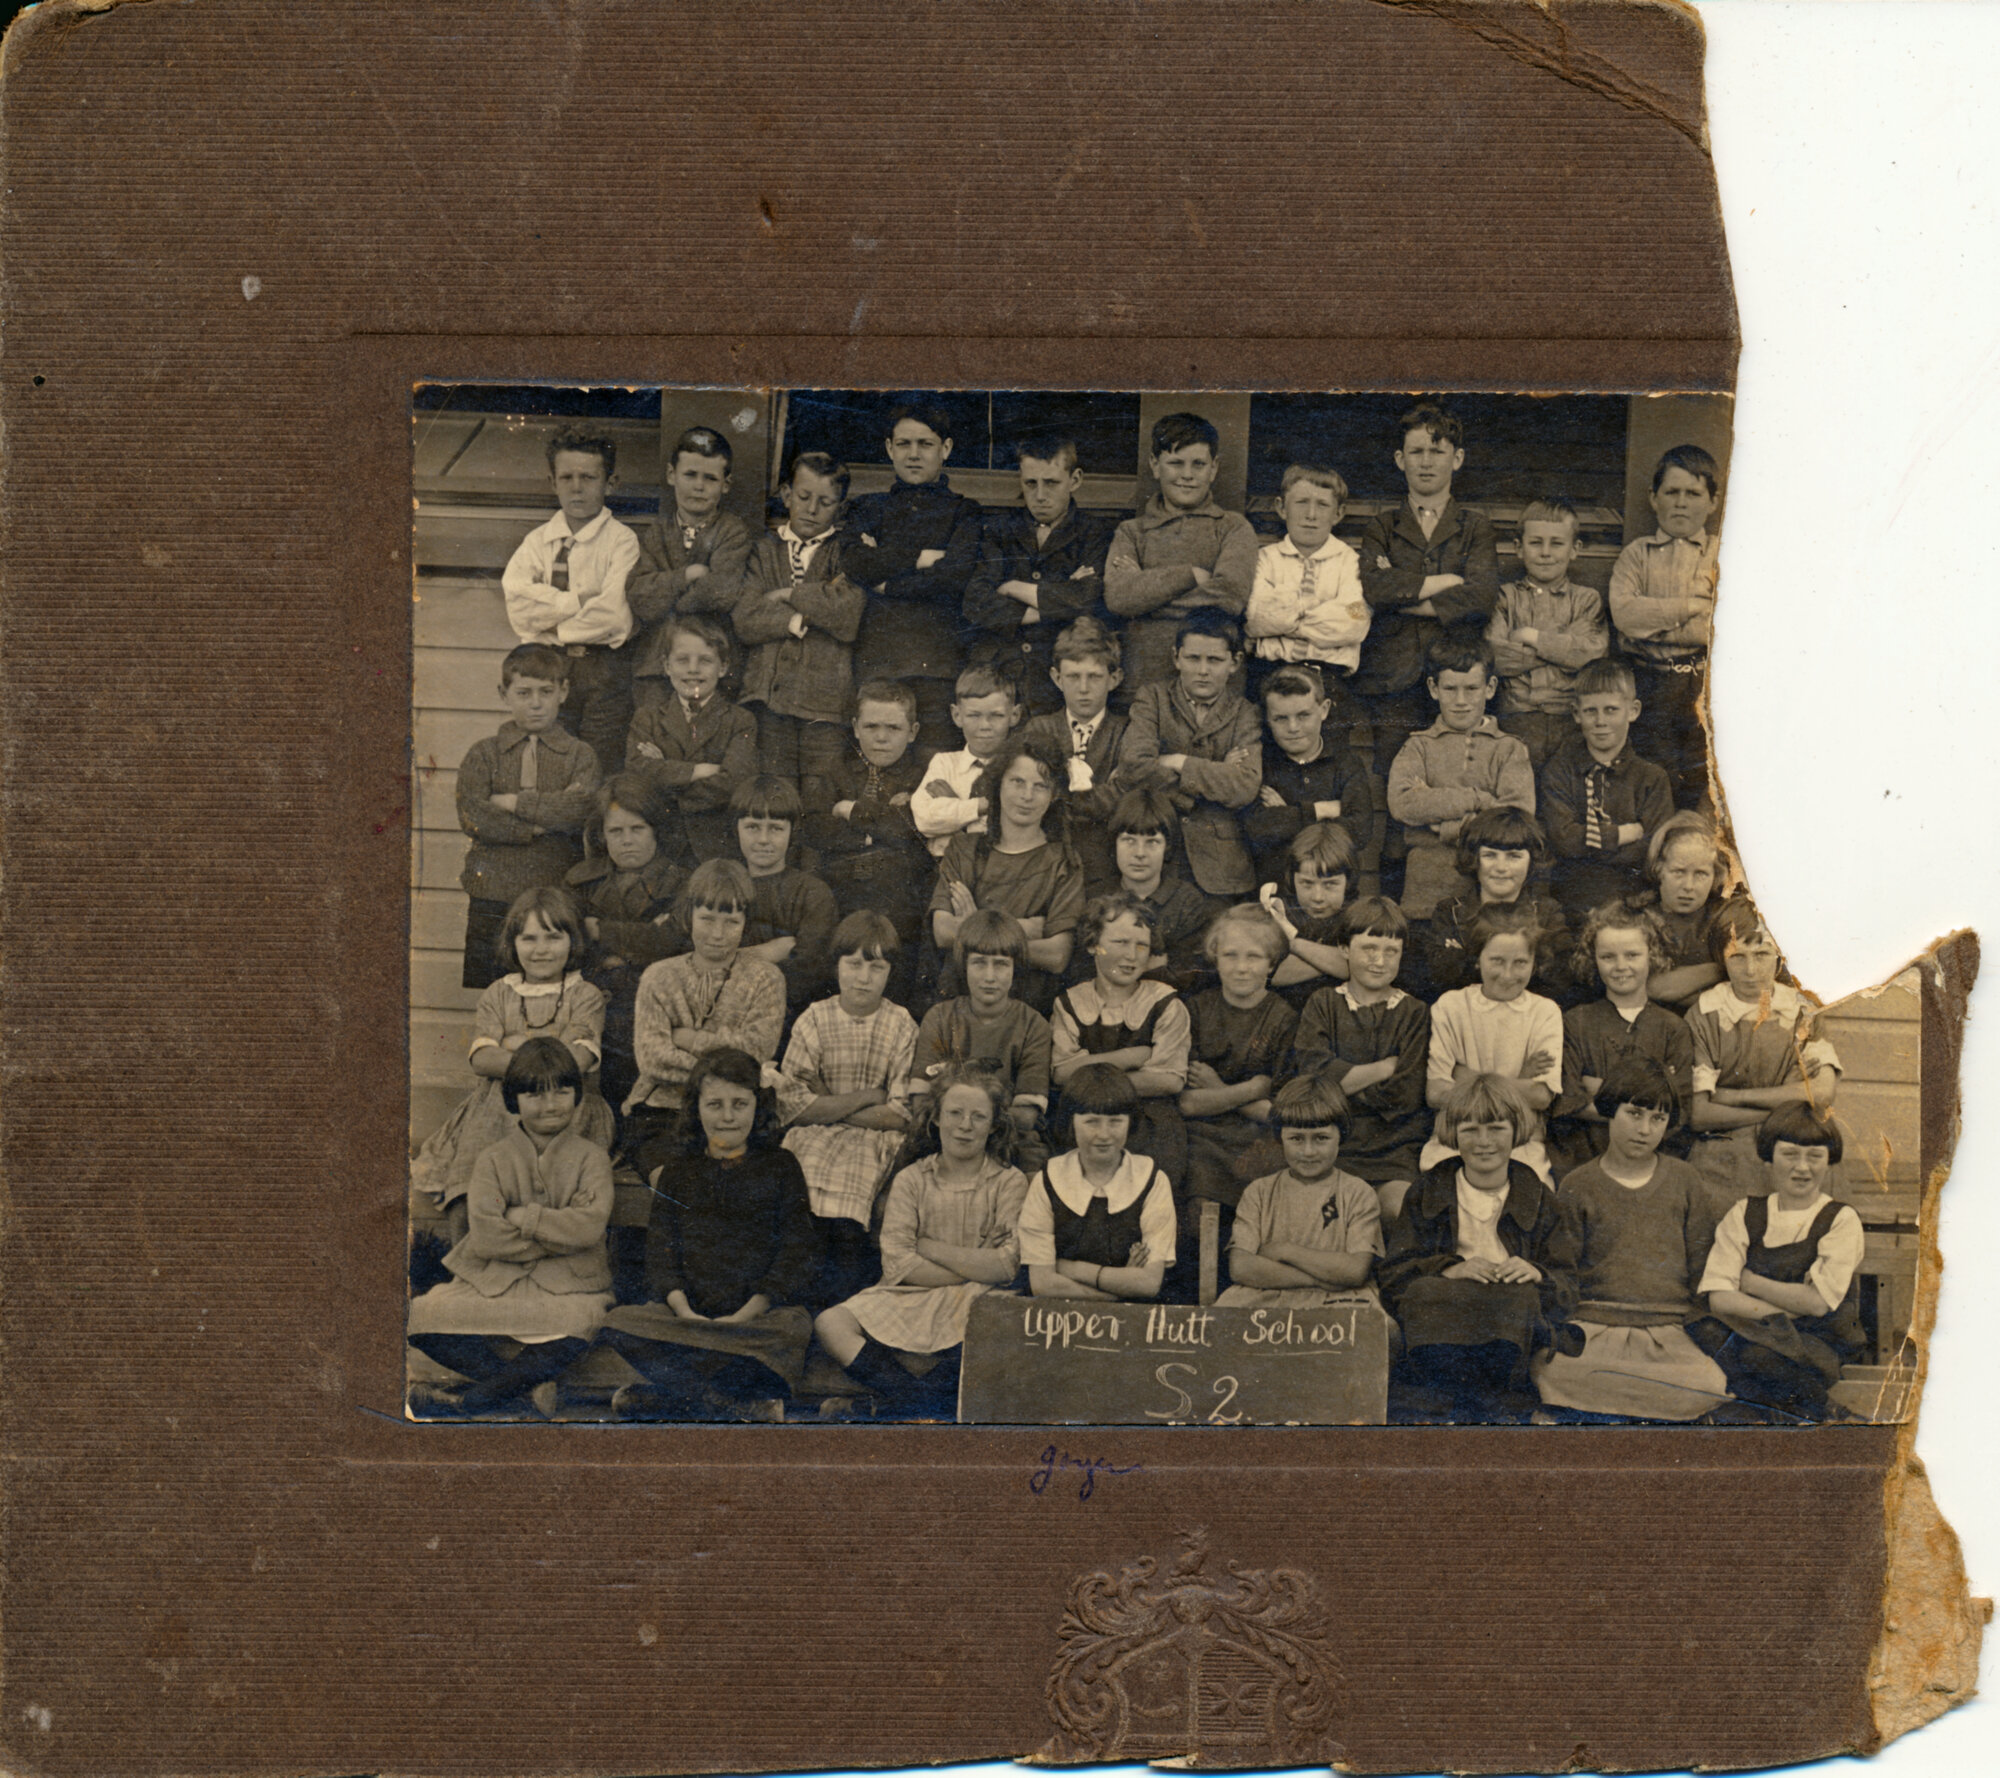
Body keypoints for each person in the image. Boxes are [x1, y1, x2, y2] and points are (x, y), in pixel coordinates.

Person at [595, 1047, 817, 1422]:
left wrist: (744, 1317)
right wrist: (685, 1313)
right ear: (696, 1108)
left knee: (794, 1328)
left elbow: (795, 1255)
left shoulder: (782, 1165)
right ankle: (731, 1405)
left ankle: (672, 1399)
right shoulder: (678, 1171)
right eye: (715, 1104)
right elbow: (661, 1255)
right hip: (688, 1319)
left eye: (739, 1104)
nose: (727, 1117)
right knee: (619, 1323)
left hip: (756, 1322)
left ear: (757, 1106)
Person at [408, 1038, 615, 1420]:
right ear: (513, 1100)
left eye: (561, 1092)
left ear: (577, 1095)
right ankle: (522, 1390)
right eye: (535, 1095)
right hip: (494, 1280)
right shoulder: (493, 1159)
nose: (550, 1105)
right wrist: (555, 1235)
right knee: (422, 1316)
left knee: (578, 1324)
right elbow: (486, 1236)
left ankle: (472, 1402)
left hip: (569, 1285)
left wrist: (524, 1218)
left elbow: (587, 1229)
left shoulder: (592, 1159)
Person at [815, 1063, 1031, 1417]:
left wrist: (928, 1247)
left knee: (1004, 1326)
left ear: (993, 1126)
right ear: (936, 1118)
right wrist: (975, 1262)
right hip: (911, 1293)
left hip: (980, 1297)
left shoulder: (1009, 1182)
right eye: (955, 1113)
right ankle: (917, 1401)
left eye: (978, 1116)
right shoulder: (912, 1180)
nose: (965, 1125)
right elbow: (899, 1264)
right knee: (831, 1324)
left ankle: (898, 1406)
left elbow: (1005, 1265)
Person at [412, 887, 612, 1246]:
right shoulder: (498, 994)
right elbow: (482, 1058)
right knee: (479, 1171)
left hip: (565, 1108)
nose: (540, 949)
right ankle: (475, 1258)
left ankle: (542, 1252)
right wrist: (546, 1054)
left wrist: (515, 1046)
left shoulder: (586, 996)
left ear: (573, 941)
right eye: (529, 938)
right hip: (495, 1106)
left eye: (553, 937)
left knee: (550, 1182)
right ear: (512, 942)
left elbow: (577, 1060)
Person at [1532, 1057, 1726, 1421]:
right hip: (1596, 1327)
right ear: (1610, 1112)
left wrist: (1693, 1327)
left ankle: (1606, 1410)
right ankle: (1644, 1411)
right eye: (1634, 1114)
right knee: (1551, 1372)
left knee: (1708, 1385)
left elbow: (1704, 1266)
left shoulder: (1685, 1181)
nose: (1645, 1129)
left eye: (1658, 1119)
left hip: (1666, 1331)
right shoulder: (1578, 1185)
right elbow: (1564, 1271)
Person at [1379, 1073, 1578, 1422]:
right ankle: (1447, 1405)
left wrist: (1537, 1272)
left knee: (1520, 1299)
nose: (1483, 1141)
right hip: (1444, 1311)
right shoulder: (1427, 1190)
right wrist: (1448, 1267)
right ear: (1453, 1133)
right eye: (1470, 1129)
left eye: (1496, 1128)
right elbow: (1394, 1275)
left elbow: (1567, 1284)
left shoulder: (1540, 1197)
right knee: (1424, 1292)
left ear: (1516, 1130)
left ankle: (1495, 1408)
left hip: (1507, 1320)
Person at [1349, 403, 1501, 791]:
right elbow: (1374, 589)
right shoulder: (1382, 526)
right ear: (1400, 460)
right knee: (1396, 777)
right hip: (1392, 678)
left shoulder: (1475, 528)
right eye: (1416, 451)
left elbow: (1481, 597)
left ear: (1458, 458)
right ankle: (1396, 855)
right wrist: (1446, 582)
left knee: (1456, 777)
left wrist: (1403, 597)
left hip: (1455, 673)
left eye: (1438, 451)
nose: (1426, 461)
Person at [1689, 1104, 1867, 1423]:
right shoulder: (1745, 1213)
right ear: (1770, 1156)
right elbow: (1718, 1296)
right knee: (1704, 1330)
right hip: (1756, 1330)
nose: (1802, 1167)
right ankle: (1785, 1411)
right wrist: (1779, 1312)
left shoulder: (1840, 1219)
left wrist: (1751, 1283)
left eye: (1814, 1156)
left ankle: (1817, 1408)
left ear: (1829, 1160)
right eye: (1790, 1154)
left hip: (1815, 1341)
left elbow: (1816, 1304)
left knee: (1758, 1357)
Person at [776, 912, 918, 1309]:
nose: (863, 978)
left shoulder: (901, 1024)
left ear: (890, 972)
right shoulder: (815, 1019)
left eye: (876, 967)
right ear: (836, 964)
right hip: (812, 1135)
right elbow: (793, 1106)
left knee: (853, 1191)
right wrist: (868, 1095)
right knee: (799, 1183)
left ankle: (842, 1305)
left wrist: (829, 1103)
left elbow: (898, 1115)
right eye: (853, 964)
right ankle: (799, 1307)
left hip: (874, 1139)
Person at [454, 642, 602, 990]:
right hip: (492, 891)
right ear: (503, 694)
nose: (535, 703)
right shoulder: (484, 755)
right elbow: (474, 815)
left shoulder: (580, 755)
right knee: (495, 991)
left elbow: (579, 809)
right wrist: (539, 825)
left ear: (563, 692)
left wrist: (513, 803)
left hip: (555, 890)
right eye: (523, 692)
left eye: (546, 692)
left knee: (554, 991)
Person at [838, 399, 985, 749]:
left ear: (946, 448)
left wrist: (886, 580)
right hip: (878, 661)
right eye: (904, 444)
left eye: (926, 444)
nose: (914, 454)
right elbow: (856, 563)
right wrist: (920, 558)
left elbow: (954, 575)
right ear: (889, 448)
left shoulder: (964, 512)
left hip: (939, 664)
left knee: (934, 769)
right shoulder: (869, 508)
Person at [500, 427, 642, 772]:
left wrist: (548, 621)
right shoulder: (537, 542)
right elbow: (518, 608)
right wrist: (577, 600)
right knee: (553, 762)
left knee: (598, 764)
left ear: (610, 482)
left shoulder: (622, 542)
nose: (576, 487)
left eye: (588, 477)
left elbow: (612, 618)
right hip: (549, 668)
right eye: (566, 477)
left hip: (603, 672)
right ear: (552, 482)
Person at [1684, 900, 1840, 1209]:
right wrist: (1783, 1107)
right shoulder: (1705, 1013)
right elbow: (1700, 1114)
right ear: (1721, 959)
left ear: (1780, 956)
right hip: (1722, 1153)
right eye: (1737, 957)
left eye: (1761, 955)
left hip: (1792, 1149)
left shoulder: (1801, 1011)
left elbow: (1822, 1093)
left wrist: (1730, 1096)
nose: (1751, 970)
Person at [731, 450, 866, 806]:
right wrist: (798, 619)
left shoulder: (845, 551)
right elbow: (746, 617)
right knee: (776, 797)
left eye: (825, 502)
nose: (811, 509)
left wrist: (788, 594)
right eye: (804, 498)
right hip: (769, 700)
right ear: (787, 494)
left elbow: (848, 613)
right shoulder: (763, 549)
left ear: (840, 506)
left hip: (825, 704)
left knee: (821, 798)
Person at [624, 859, 787, 1140]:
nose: (717, 934)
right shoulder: (659, 977)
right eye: (707, 919)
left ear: (745, 922)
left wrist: (690, 1040)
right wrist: (726, 1069)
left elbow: (756, 1050)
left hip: (735, 1113)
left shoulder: (766, 979)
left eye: (732, 922)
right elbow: (653, 1060)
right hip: (664, 1108)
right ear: (689, 917)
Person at [1289, 897, 1431, 1217]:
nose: (1379, 961)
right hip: (1334, 1148)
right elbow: (1312, 1081)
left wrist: (1341, 1083)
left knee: (1397, 1209)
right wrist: (1384, 1067)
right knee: (1326, 1213)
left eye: (1391, 951)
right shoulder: (1323, 1003)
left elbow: (1404, 1095)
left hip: (1394, 1149)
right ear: (1344, 949)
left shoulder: (1414, 1012)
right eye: (1368, 948)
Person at [962, 434, 1117, 716]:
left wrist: (1011, 586)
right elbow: (976, 601)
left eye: (1052, 483)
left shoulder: (1096, 534)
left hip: (1056, 678)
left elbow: (1087, 601)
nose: (1040, 495)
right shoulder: (999, 531)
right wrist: (1058, 599)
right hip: (1000, 675)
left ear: (1076, 480)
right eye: (1030, 484)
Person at [1103, 410, 1260, 688]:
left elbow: (1230, 597)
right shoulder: (1132, 532)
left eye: (1198, 464)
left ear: (1213, 468)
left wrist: (1146, 601)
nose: (1187, 475)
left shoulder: (1233, 528)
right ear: (1154, 464)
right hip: (1143, 682)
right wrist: (1192, 576)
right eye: (1176, 463)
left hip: (1215, 690)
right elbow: (1118, 598)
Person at [563, 773, 688, 1123]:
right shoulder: (581, 880)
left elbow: (670, 943)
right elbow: (570, 943)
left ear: (656, 830)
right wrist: (641, 936)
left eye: (637, 829)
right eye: (616, 832)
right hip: (591, 996)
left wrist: (599, 929)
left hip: (649, 1001)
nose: (627, 841)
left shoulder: (679, 882)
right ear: (602, 835)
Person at [928, 738, 1084, 1014]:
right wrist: (1022, 929)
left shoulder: (1063, 861)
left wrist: (974, 925)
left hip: (1029, 1006)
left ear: (1054, 795)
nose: (1027, 795)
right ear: (998, 784)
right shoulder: (965, 849)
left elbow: (1057, 955)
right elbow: (942, 931)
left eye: (1040, 786)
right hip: (960, 1000)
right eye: (1017, 782)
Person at [1385, 633, 1533, 919]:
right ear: (1433, 688)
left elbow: (1516, 817)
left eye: (1471, 688)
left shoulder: (1510, 749)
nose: (1461, 701)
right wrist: (1479, 798)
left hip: (1487, 896)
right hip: (1425, 892)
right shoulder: (1418, 746)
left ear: (1489, 688)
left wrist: (1444, 826)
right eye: (1450, 688)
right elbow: (1403, 804)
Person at [1608, 443, 1723, 806]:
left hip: (1703, 685)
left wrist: (1656, 619)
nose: (1681, 502)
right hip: (1650, 681)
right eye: (1671, 492)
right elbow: (1625, 615)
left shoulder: (1721, 554)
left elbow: (1722, 625)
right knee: (1653, 777)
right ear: (1653, 498)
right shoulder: (1637, 555)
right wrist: (1693, 606)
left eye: (1693, 493)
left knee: (1701, 779)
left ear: (1713, 502)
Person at [1051, 894, 1192, 1189]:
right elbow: (1062, 1072)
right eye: (1120, 943)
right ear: (1093, 945)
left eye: (1141, 946)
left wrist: (1089, 1073)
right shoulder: (1071, 1002)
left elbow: (1169, 1081)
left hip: (1152, 1128)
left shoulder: (1164, 1002)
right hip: (1086, 1125)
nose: (1132, 956)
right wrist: (1130, 1057)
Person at [802, 679, 931, 998]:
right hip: (841, 889)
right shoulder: (837, 772)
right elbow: (816, 828)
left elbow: (911, 829)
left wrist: (852, 811)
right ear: (856, 728)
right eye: (871, 726)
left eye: (893, 728)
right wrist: (876, 833)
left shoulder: (922, 775)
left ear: (912, 732)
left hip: (896, 894)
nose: (882, 738)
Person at [1122, 609, 1263, 898]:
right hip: (1159, 857)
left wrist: (1178, 761)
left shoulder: (1245, 714)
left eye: (1214, 660)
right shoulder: (1153, 698)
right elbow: (1135, 766)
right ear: (1176, 658)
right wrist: (1216, 770)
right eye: (1193, 658)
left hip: (1220, 867)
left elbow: (1245, 785)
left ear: (1234, 663)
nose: (1202, 670)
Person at [1547, 905, 1696, 1177]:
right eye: (1607, 956)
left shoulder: (1673, 1029)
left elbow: (1679, 1111)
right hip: (1584, 1157)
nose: (1620, 967)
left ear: (1652, 956)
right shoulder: (1576, 1022)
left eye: (1632, 955)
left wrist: (1595, 1087)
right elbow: (1569, 1101)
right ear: (1593, 959)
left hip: (1653, 1162)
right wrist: (1649, 1103)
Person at [1218, 1075, 1383, 1309]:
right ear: (1280, 1137)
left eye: (1321, 1138)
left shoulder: (1358, 1193)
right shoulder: (1259, 1192)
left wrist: (1285, 1250)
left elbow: (1355, 1270)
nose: (1308, 1151)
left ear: (1340, 1137)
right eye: (1296, 1138)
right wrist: (1318, 1279)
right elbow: (1241, 1266)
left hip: (1339, 1300)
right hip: (1267, 1296)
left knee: (1379, 1330)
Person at [1180, 905, 1297, 1235]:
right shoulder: (1197, 1010)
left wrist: (1216, 1088)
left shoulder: (1283, 1017)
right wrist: (1252, 1089)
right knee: (1197, 1195)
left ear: (1272, 962)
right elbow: (1187, 1103)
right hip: (1204, 1135)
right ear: (1215, 957)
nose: (1241, 968)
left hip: (1260, 1138)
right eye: (1230, 955)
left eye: (1254, 957)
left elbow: (1278, 1113)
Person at [909, 910, 1055, 1173]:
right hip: (942, 1141)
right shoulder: (940, 1018)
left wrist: (961, 1114)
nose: (990, 976)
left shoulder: (1033, 1025)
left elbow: (1025, 1116)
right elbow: (921, 1101)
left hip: (1011, 1144)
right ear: (963, 965)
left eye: (1001, 964)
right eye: (979, 963)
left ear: (1015, 968)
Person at [1424, 906, 1562, 1182]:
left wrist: (1465, 1076)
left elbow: (1540, 1097)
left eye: (1520, 962)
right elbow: (1436, 1093)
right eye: (1497, 961)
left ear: (1534, 961)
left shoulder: (1544, 1012)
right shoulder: (1452, 1007)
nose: (1508, 974)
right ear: (1478, 959)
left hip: (1521, 1141)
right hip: (1456, 1139)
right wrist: (1519, 1079)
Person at [1018, 1064, 1176, 1303]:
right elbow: (1042, 1283)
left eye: (1115, 1121)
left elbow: (1148, 1282)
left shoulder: (1152, 1179)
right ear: (1071, 1122)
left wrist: (1072, 1270)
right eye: (1092, 1121)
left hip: (1133, 1321)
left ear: (1130, 1121)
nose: (1104, 1134)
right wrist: (1118, 1290)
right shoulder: (1048, 1179)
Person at [626, 425, 755, 715]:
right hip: (656, 666)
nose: (699, 486)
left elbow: (719, 594)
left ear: (726, 483)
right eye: (690, 475)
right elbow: (640, 598)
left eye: (710, 478)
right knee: (655, 739)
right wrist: (686, 576)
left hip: (710, 667)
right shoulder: (656, 533)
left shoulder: (732, 532)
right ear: (672, 475)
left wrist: (667, 593)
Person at [1540, 658, 1674, 923]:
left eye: (1611, 710)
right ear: (1576, 714)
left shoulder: (1651, 777)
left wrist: (1587, 844)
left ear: (1633, 710)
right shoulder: (1560, 770)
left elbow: (1653, 849)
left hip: (1634, 891)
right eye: (1591, 711)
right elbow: (1563, 839)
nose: (1600, 721)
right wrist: (1622, 834)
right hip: (1575, 891)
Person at [1483, 495, 1609, 771]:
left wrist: (1531, 636)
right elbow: (1494, 656)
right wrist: (1561, 650)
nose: (1545, 552)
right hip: (1516, 717)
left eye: (1557, 543)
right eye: (1536, 543)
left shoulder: (1586, 600)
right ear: (1519, 548)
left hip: (1570, 717)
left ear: (1574, 549)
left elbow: (1590, 654)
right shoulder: (1504, 598)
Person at [624, 612, 759, 864]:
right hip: (662, 845)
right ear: (666, 666)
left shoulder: (740, 721)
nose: (693, 670)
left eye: (705, 661)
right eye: (682, 660)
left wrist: (664, 771)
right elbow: (637, 774)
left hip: (716, 844)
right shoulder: (647, 718)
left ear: (723, 667)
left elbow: (733, 783)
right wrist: (698, 771)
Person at [1410, 806, 1570, 1002]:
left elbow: (1557, 981)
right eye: (1490, 855)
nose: (1501, 867)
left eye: (1514, 856)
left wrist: (1467, 959)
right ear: (1475, 859)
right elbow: (1441, 978)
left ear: (1532, 861)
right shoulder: (1449, 912)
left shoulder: (1547, 914)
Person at [1020, 616, 1132, 895]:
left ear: (1114, 678)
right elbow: (1033, 796)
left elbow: (1125, 797)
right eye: (1073, 677)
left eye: (1094, 676)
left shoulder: (1126, 732)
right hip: (1047, 865)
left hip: (1107, 867)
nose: (1083, 688)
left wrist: (1062, 793)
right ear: (1057, 678)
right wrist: (1101, 792)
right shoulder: (1040, 728)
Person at [1242, 463, 1369, 704]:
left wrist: (1285, 621)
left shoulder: (1350, 563)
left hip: (1329, 677)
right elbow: (1255, 616)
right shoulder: (1265, 559)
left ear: (1338, 513)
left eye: (1322, 505)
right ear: (1281, 507)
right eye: (1301, 502)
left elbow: (1355, 621)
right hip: (1269, 672)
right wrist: (1316, 611)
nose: (1311, 514)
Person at [1241, 664, 1375, 888]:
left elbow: (1360, 830)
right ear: (1266, 718)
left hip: (1334, 896)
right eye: (1281, 719)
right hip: (1273, 891)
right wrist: (1321, 811)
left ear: (1323, 709)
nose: (1293, 727)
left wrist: (1287, 815)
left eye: (1303, 715)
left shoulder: (1345, 763)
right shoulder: (1262, 763)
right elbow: (1257, 828)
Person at [723, 775, 839, 1014]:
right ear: (737, 828)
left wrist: (730, 961)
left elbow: (807, 976)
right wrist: (768, 952)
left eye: (776, 828)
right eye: (752, 827)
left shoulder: (812, 893)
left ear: (792, 831)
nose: (763, 839)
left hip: (791, 1019)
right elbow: (693, 964)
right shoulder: (720, 887)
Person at [1099, 791, 1218, 994]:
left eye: (1152, 842)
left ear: (1167, 847)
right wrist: (1154, 964)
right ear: (1114, 844)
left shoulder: (1187, 901)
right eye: (1129, 840)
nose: (1139, 853)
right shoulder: (1099, 897)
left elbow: (1188, 977)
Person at [909, 665, 1020, 858]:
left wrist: (953, 808)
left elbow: (1013, 830)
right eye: (974, 715)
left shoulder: (1019, 766)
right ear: (957, 716)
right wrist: (983, 806)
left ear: (1014, 715)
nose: (985, 726)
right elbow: (924, 818)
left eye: (996, 716)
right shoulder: (944, 763)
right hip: (945, 867)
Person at [1634, 810, 1734, 1009]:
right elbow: (1652, 987)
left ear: (1716, 876)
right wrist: (1722, 968)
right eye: (1679, 872)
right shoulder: (1640, 919)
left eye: (1701, 874)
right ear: (1659, 869)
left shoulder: (1722, 916)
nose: (1689, 886)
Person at [1259, 820, 1357, 1006]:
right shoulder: (1282, 912)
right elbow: (1271, 975)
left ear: (1348, 881)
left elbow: (1359, 967)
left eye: (1330, 884)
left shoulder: (1360, 914)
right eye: (1307, 883)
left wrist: (1294, 944)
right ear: (1292, 879)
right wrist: (1337, 961)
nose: (1318, 897)